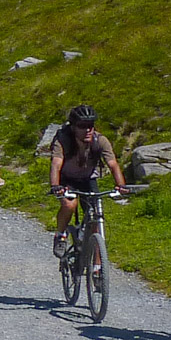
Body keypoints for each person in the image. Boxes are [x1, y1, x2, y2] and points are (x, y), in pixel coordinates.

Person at [49, 104, 127, 256]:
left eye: (90, 126)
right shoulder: (63, 140)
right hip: (67, 179)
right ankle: (61, 235)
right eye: (82, 126)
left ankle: (98, 270)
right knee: (70, 205)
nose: (87, 130)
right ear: (73, 127)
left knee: (97, 220)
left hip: (87, 179)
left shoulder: (100, 141)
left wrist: (121, 186)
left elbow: (113, 164)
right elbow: (56, 163)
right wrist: (55, 186)